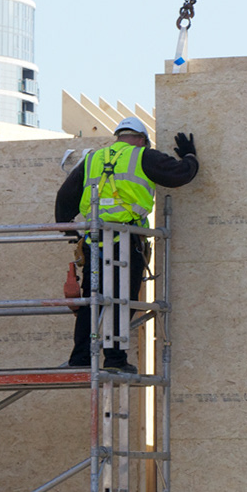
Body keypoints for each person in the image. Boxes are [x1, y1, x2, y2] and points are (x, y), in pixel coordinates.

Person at [54, 117, 200, 372]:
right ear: (142, 140)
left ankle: (80, 360)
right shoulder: (142, 156)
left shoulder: (92, 159)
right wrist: (190, 156)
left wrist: (68, 230)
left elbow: (65, 196)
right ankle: (115, 360)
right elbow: (178, 175)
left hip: (95, 241)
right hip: (125, 240)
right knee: (122, 301)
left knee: (93, 300)